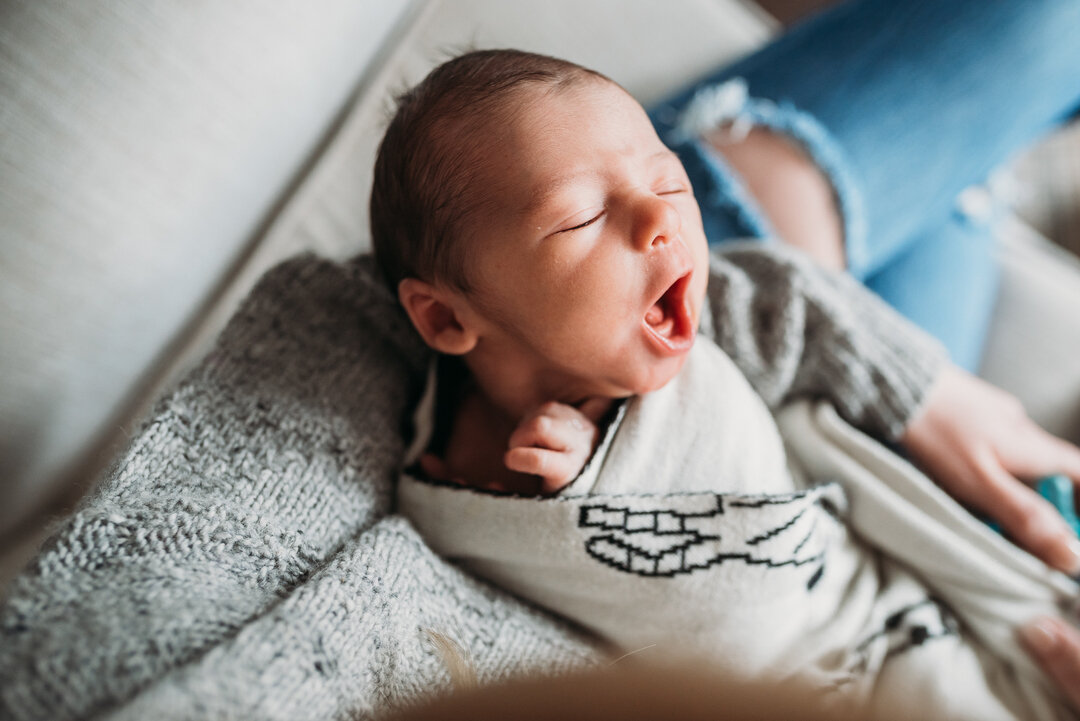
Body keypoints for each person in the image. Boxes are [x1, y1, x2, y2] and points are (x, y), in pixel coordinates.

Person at [374, 45, 1080, 719]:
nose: (663, 218)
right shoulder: (437, 449)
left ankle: (966, 190)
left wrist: (613, 458)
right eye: (583, 215)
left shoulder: (669, 334)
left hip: (940, 587)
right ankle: (967, 190)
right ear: (442, 317)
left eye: (670, 180)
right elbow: (782, 305)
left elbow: (766, 327)